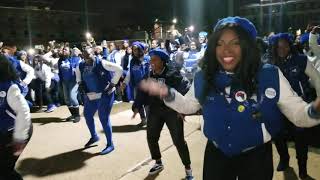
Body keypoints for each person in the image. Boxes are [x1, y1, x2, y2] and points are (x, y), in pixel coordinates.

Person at [138, 16, 320, 180]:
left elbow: (299, 114)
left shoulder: (270, 75)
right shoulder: (204, 76)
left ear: (247, 45)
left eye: (235, 42)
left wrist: (315, 109)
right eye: (220, 43)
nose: (226, 50)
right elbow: (188, 106)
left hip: (256, 158)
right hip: (216, 156)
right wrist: (167, 93)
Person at [132, 48, 194, 180]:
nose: (152, 62)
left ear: (163, 61)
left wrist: (182, 110)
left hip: (172, 112)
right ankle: (158, 162)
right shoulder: (149, 75)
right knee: (151, 137)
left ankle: (188, 169)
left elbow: (186, 91)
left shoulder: (174, 74)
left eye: (155, 60)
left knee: (178, 141)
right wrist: (137, 106)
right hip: (155, 111)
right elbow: (142, 90)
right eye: (151, 60)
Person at [269, 32, 320, 179]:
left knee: (300, 138)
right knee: (278, 135)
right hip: (278, 107)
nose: (282, 50)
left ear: (290, 46)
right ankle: (284, 159)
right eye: (278, 47)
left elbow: (317, 79)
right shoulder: (271, 64)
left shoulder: (301, 60)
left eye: (285, 46)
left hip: (298, 106)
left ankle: (302, 168)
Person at [76, 47, 123, 155]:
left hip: (105, 94)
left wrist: (112, 83)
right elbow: (77, 73)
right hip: (91, 95)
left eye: (89, 55)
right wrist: (80, 83)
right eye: (85, 56)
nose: (87, 58)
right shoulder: (81, 65)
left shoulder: (102, 63)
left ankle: (110, 144)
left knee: (103, 117)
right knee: (87, 115)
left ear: (94, 54)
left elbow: (119, 69)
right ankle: (94, 136)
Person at [0, 55, 32, 180]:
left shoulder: (9, 87)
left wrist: (19, 138)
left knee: (4, 170)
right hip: (3, 130)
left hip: (16, 130)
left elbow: (24, 112)